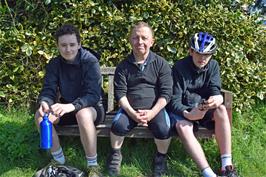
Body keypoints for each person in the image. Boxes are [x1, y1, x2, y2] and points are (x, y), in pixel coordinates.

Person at [35, 24, 105, 177]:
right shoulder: (54, 64)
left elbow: (93, 95)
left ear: (79, 44)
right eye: (63, 45)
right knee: (40, 116)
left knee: (82, 114)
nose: (68, 49)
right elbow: (48, 89)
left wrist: (72, 106)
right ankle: (58, 160)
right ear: (58, 46)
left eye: (72, 44)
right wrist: (45, 102)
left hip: (91, 108)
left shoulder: (90, 62)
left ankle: (93, 165)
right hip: (66, 107)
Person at [106, 21, 173, 177]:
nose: (140, 42)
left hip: (155, 109)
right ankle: (115, 155)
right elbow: (120, 94)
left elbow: (166, 94)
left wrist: (151, 113)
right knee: (118, 126)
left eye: (144, 38)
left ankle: (160, 158)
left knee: (164, 129)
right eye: (136, 38)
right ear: (130, 40)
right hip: (129, 109)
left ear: (152, 41)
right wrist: (132, 114)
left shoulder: (161, 64)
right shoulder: (123, 66)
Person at [168, 32, 238, 177]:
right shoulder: (179, 67)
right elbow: (173, 101)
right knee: (183, 126)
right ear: (191, 51)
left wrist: (217, 97)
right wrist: (187, 113)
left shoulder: (213, 66)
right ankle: (207, 173)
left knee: (221, 109)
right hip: (184, 109)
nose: (202, 58)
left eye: (207, 54)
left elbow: (214, 88)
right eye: (199, 53)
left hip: (203, 107)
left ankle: (227, 167)